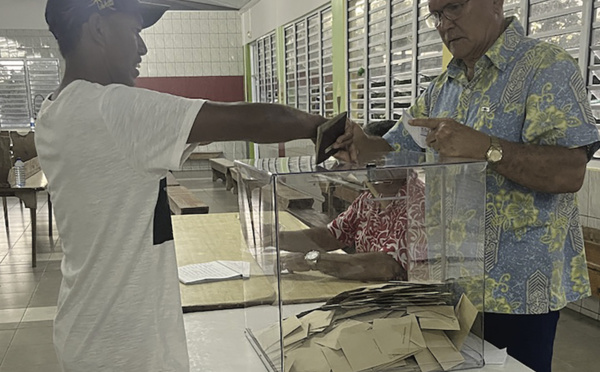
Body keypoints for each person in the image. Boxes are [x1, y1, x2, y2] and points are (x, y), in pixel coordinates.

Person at [37, 1, 352, 371]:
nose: (142, 48)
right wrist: (330, 128)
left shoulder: (56, 109)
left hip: (88, 328)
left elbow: (187, 130)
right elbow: (252, 120)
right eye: (135, 31)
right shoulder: (110, 110)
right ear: (98, 28)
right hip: (122, 348)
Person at [336, 1, 600, 371]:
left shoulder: (546, 67)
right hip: (449, 284)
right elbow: (397, 157)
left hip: (519, 291)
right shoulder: (444, 86)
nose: (445, 23)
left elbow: (570, 172)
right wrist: (361, 147)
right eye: (437, 15)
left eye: (454, 7)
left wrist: (486, 147)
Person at [280, 167, 426, 282]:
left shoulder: (418, 203)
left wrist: (313, 261)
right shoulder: (372, 196)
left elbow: (385, 265)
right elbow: (332, 235)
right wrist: (276, 238)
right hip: (367, 290)